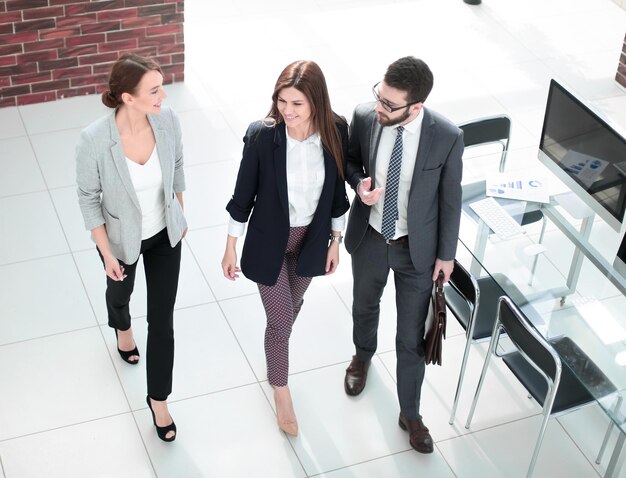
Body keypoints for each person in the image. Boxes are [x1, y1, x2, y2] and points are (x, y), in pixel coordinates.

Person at [221, 60, 350, 437]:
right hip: (269, 243)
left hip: (312, 241)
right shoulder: (263, 135)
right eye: (282, 101)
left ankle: (274, 362)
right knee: (280, 321)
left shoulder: (336, 131)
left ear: (317, 103)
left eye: (297, 104)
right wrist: (230, 246)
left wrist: (336, 242)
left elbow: (337, 195)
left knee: (289, 312)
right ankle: (282, 391)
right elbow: (242, 195)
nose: (288, 111)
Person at [343, 56, 463, 453]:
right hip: (372, 237)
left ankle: (410, 412)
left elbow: (451, 200)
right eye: (379, 95)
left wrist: (446, 255)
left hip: (418, 251)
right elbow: (349, 161)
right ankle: (362, 356)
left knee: (411, 337)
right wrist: (359, 184)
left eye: (390, 105)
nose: (380, 107)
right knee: (364, 305)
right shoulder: (365, 117)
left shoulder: (446, 137)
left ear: (416, 107)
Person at [76, 54, 187, 442]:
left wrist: (179, 214)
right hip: (121, 240)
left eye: (162, 86)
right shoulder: (94, 140)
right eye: (154, 90)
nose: (163, 95)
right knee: (120, 291)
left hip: (164, 237)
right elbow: (89, 199)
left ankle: (158, 399)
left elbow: (177, 165)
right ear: (128, 97)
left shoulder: (168, 120)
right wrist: (107, 254)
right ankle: (121, 323)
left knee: (162, 321)